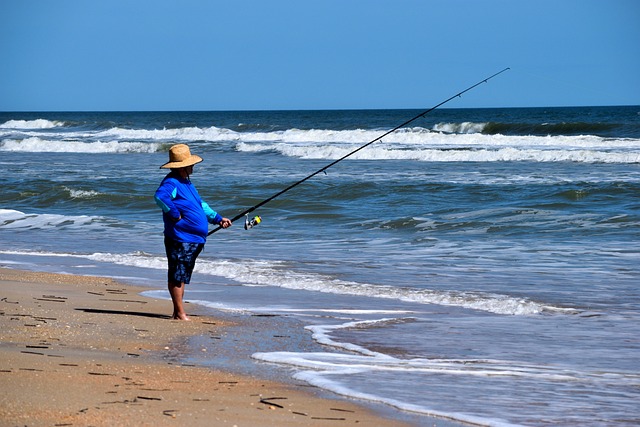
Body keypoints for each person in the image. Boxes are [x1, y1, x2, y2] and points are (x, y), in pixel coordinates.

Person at [154, 144, 232, 320]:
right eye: (191, 164)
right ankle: (181, 313)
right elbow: (160, 197)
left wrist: (218, 218)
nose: (193, 167)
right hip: (180, 237)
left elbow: (200, 205)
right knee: (177, 275)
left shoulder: (187, 183)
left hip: (192, 239)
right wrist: (174, 214)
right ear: (183, 166)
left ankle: (177, 312)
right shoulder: (172, 182)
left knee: (182, 274)